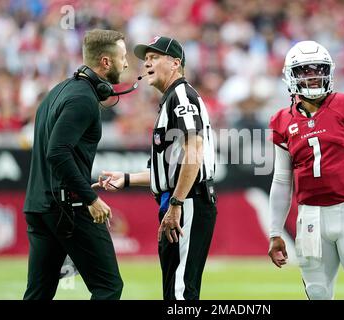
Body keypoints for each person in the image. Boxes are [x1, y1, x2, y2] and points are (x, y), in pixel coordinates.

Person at [92, 36, 217, 300]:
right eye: (145, 59)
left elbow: (194, 153)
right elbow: (167, 173)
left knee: (181, 292)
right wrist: (125, 179)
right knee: (174, 292)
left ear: (175, 63)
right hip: (178, 200)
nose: (146, 64)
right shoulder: (169, 99)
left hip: (188, 202)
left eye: (154, 58)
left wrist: (176, 203)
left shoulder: (181, 95)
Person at [267, 40, 344, 300]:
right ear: (291, 76)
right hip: (309, 218)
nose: (314, 76)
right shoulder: (282, 121)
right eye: (305, 71)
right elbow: (281, 180)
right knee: (318, 293)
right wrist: (275, 232)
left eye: (319, 69)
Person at [23, 29, 129, 300]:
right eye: (123, 57)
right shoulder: (84, 99)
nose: (127, 64)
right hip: (68, 208)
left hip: (39, 206)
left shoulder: (57, 92)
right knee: (108, 287)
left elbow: (55, 151)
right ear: (105, 62)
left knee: (38, 293)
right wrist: (90, 198)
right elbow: (57, 153)